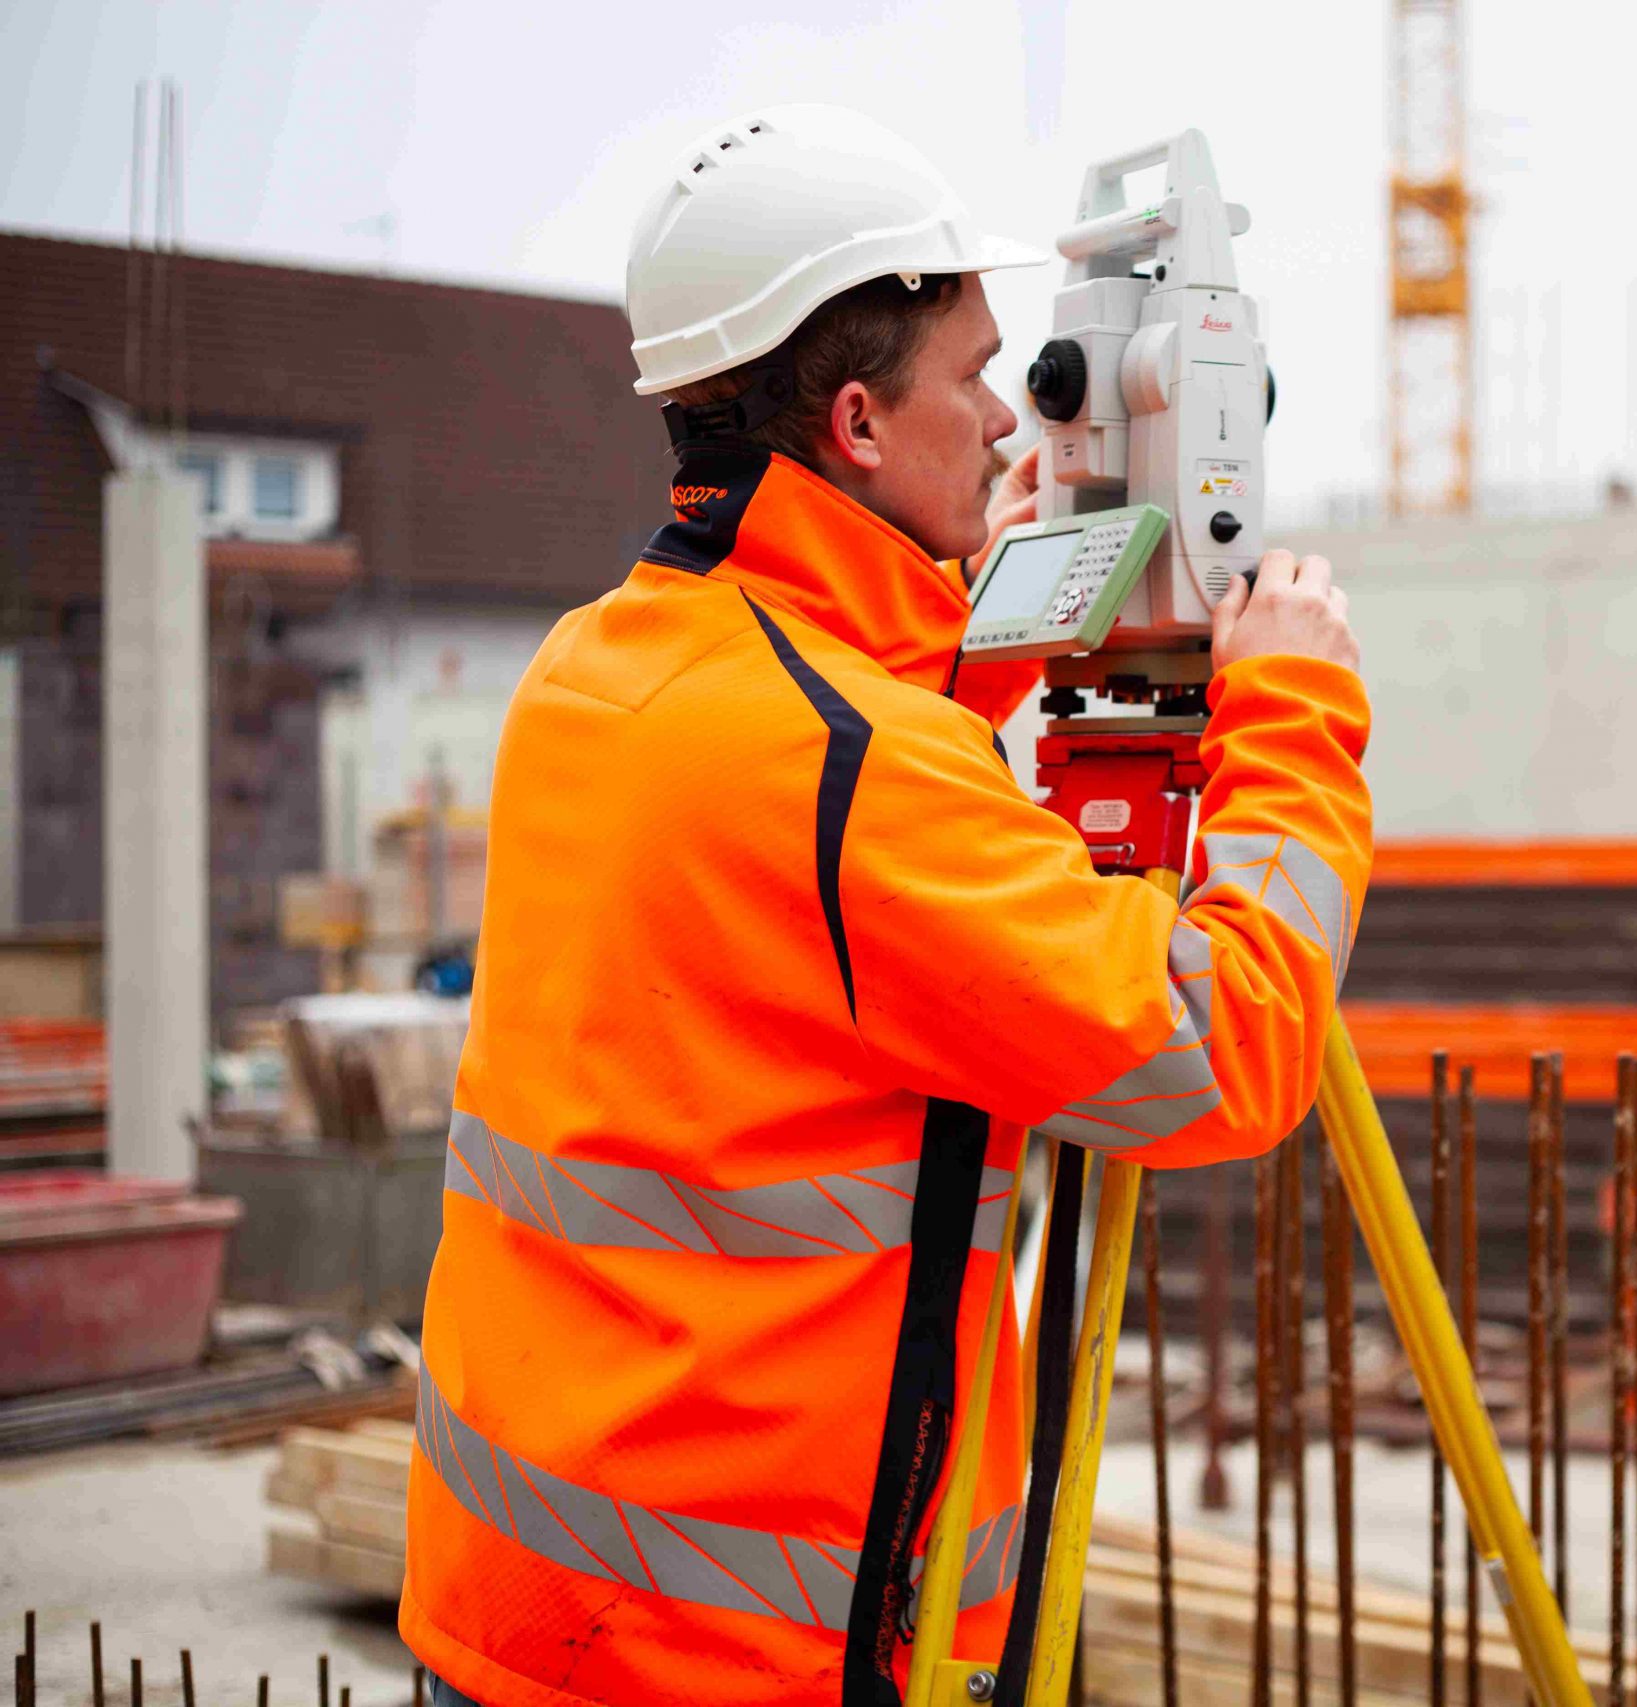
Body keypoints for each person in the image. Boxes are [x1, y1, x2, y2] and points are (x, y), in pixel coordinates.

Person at [399, 105, 1370, 1707]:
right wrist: (1297, 719)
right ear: (857, 421)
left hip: (524, 1599)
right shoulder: (861, 773)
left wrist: (985, 622)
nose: (1010, 423)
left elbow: (811, 741)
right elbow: (1221, 1054)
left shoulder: (595, 670)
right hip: (731, 1657)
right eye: (977, 377)